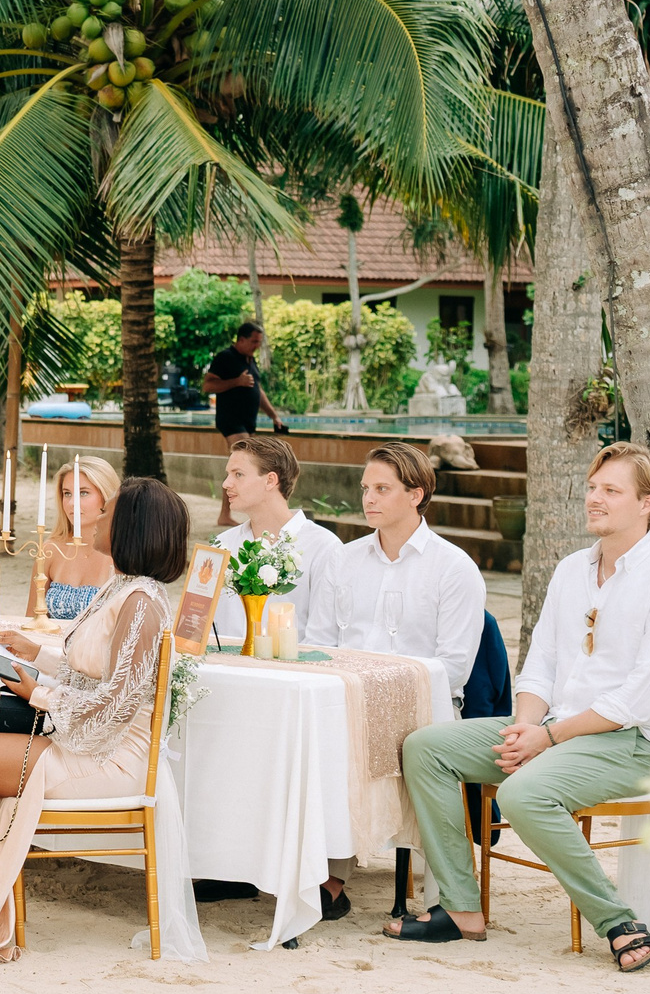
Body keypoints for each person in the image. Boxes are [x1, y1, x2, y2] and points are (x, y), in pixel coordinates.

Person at [385, 442, 650, 973]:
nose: (594, 499)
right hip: (554, 729)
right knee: (426, 747)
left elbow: (636, 701)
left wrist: (549, 739)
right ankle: (461, 909)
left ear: (647, 503)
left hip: (631, 744)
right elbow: (539, 667)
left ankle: (618, 922)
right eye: (592, 488)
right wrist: (525, 728)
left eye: (610, 491)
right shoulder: (571, 570)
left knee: (523, 794)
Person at [0, 478, 192, 964]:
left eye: (107, 516)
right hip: (87, 745)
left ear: (130, 528)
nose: (96, 520)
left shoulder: (142, 603)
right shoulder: (123, 588)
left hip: (109, 760)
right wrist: (37, 657)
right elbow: (94, 669)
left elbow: (116, 706)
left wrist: (37, 693)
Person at [306, 441, 486, 917]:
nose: (368, 498)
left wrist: (384, 694)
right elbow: (317, 643)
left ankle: (434, 894)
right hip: (346, 700)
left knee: (390, 745)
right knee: (308, 735)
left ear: (416, 494)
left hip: (424, 708)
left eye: (382, 488)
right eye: (366, 488)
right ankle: (323, 872)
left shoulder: (454, 567)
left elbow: (454, 667)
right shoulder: (341, 561)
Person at [208, 434, 345, 650]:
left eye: (238, 474)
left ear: (270, 480)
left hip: (293, 675)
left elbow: (324, 639)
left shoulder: (324, 547)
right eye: (228, 475)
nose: (226, 484)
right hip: (224, 670)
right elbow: (201, 627)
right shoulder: (220, 544)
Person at [23, 456, 119, 622]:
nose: (72, 503)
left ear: (107, 495)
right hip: (47, 646)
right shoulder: (50, 550)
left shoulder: (123, 554)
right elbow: (31, 621)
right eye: (67, 494)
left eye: (83, 493)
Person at [202, 320, 289, 440]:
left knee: (251, 456)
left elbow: (257, 391)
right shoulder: (226, 357)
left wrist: (274, 416)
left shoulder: (251, 361)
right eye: (254, 342)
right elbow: (207, 385)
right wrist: (237, 381)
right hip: (231, 421)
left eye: (259, 342)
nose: (257, 346)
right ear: (241, 340)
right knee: (244, 455)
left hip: (248, 424)